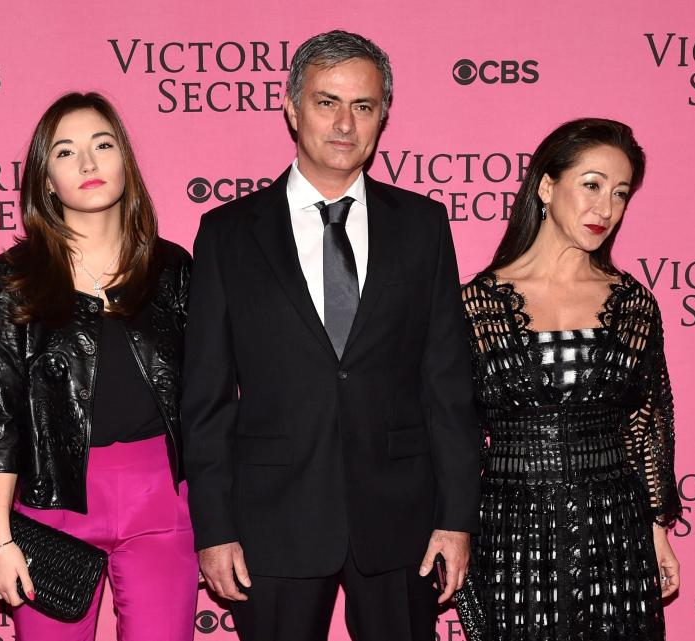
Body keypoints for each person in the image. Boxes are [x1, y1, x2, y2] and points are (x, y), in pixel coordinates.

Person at [181, 30, 480, 641]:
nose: (345, 123)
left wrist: (456, 518)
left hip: (403, 520)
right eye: (326, 102)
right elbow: (205, 400)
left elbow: (447, 385)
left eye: (363, 106)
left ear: (382, 117)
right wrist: (214, 528)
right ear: (292, 109)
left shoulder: (423, 226)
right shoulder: (227, 235)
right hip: (273, 518)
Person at [0, 92, 197, 640]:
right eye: (65, 153)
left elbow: (207, 398)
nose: (88, 164)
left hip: (161, 500)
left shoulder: (172, 268)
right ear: (46, 181)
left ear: (125, 163)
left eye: (102, 144)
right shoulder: (12, 277)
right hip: (51, 501)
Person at [455, 118, 681, 641]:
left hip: (616, 528)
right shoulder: (475, 306)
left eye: (620, 193)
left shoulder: (632, 304)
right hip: (512, 531)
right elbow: (451, 432)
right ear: (547, 185)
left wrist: (656, 530)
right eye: (592, 184)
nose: (605, 208)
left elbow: (646, 426)